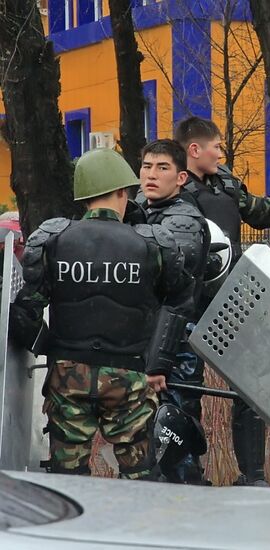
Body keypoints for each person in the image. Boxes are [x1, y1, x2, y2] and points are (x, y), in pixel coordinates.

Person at [9, 148, 193, 479]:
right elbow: (180, 299)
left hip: (67, 375)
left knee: (67, 477)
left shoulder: (53, 239)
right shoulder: (153, 243)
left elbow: (25, 312)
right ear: (123, 191)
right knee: (140, 475)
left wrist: (50, 346)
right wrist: (158, 361)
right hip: (130, 376)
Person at [175, 116, 270, 486]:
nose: (221, 153)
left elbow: (258, 211)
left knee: (248, 387)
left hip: (230, 301)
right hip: (187, 303)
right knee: (186, 390)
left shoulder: (225, 182)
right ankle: (187, 472)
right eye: (217, 146)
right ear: (194, 150)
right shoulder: (173, 188)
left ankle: (253, 474)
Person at [135, 138, 211, 483]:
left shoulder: (183, 222)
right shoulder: (140, 208)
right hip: (149, 344)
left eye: (162, 168)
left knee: (175, 439)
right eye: (147, 166)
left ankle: (190, 512)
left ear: (181, 177)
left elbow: (176, 299)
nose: (152, 175)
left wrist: (159, 360)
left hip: (175, 348)